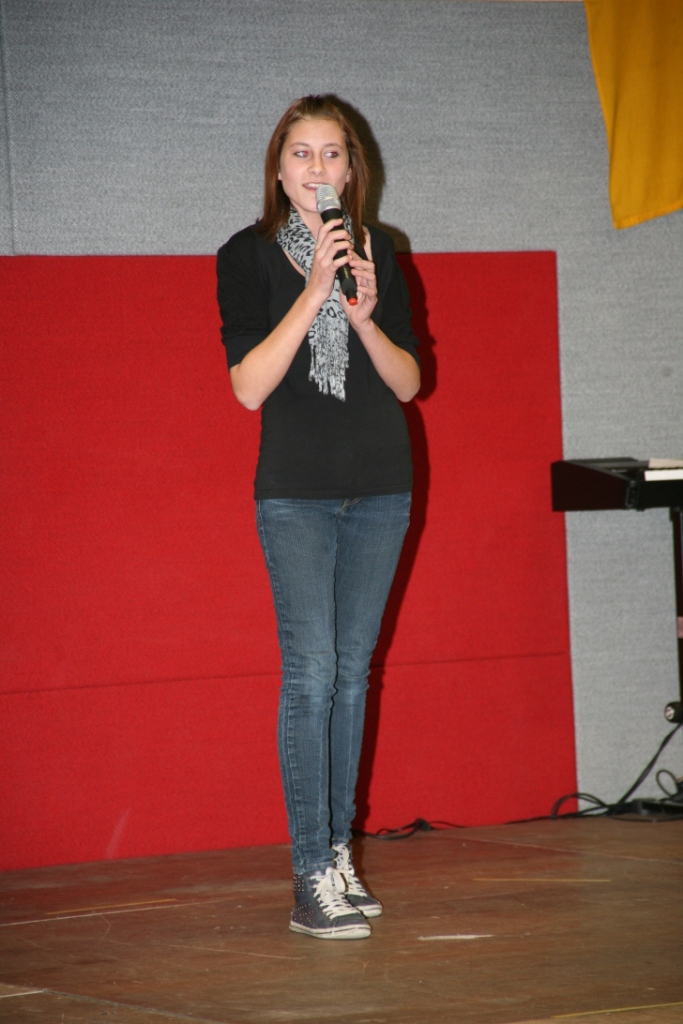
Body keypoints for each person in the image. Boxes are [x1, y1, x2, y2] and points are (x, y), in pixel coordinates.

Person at [216, 95, 420, 940]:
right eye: (300, 154)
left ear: (351, 169)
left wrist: (363, 317)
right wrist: (312, 293)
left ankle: (337, 854)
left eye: (331, 153)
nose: (316, 168)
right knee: (310, 674)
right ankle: (309, 875)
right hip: (296, 491)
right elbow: (248, 386)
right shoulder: (245, 255)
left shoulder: (382, 249)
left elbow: (408, 382)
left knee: (352, 675)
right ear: (278, 170)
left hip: (380, 485)